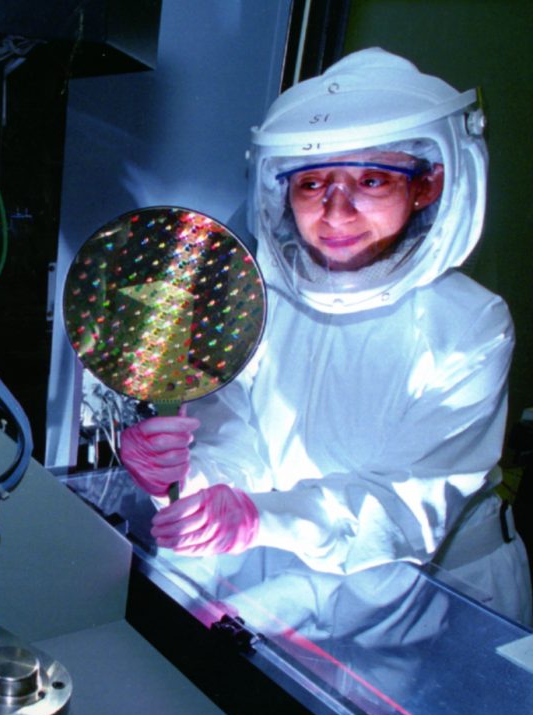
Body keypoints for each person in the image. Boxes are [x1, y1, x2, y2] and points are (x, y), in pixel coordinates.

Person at [119, 48, 533, 625]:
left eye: (371, 178)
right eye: (312, 183)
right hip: (289, 571)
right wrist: (190, 475)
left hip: (436, 598)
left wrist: (260, 519)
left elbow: (404, 508)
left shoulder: (469, 326)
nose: (337, 213)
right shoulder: (260, 298)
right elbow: (243, 442)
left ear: (428, 186)